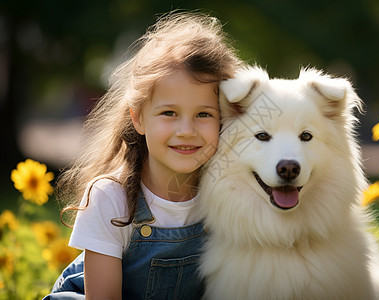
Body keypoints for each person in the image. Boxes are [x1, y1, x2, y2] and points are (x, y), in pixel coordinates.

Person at [43, 11, 241, 300]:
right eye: (169, 113)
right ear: (139, 119)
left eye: (204, 114)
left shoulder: (229, 193)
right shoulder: (112, 198)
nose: (186, 130)